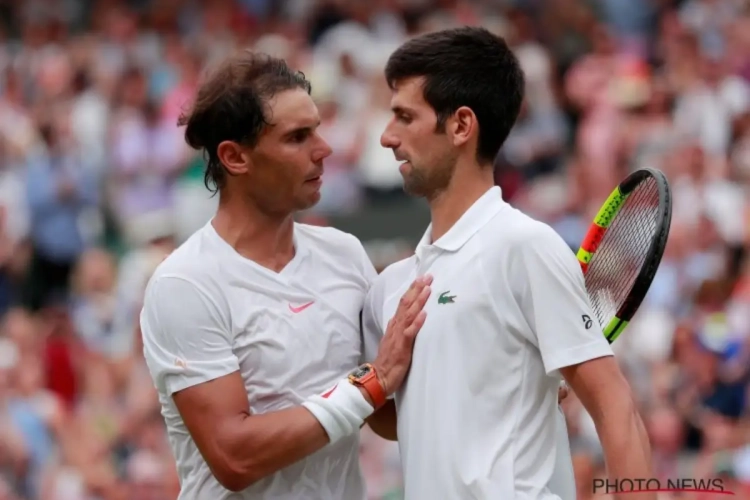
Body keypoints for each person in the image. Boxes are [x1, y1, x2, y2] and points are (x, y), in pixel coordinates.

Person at [361, 27, 655, 500]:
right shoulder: (390, 286)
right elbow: (403, 422)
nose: (386, 136)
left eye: (403, 116)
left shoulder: (524, 247)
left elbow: (615, 406)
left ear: (460, 125)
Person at [139, 51, 432, 499]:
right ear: (235, 157)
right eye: (298, 137)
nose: (324, 149)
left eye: (317, 128)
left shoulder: (344, 253)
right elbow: (235, 457)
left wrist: (504, 389)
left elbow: (384, 415)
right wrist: (373, 381)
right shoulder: (185, 284)